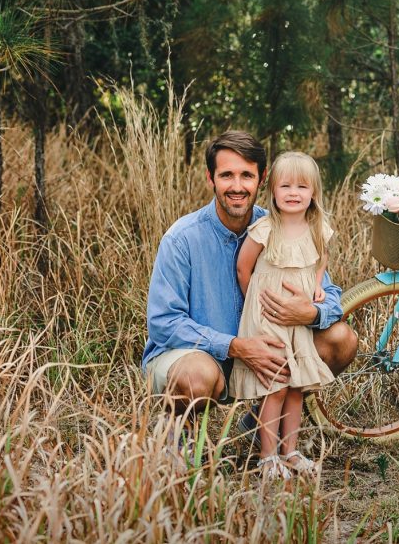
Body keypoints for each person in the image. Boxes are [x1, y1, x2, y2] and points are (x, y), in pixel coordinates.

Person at [142, 131, 357, 454]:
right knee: (197, 376)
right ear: (210, 178)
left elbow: (330, 294)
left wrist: (310, 313)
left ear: (262, 180)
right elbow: (163, 323)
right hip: (202, 356)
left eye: (247, 175)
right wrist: (235, 346)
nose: (237, 186)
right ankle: (179, 434)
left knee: (342, 339)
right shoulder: (182, 239)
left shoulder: (283, 227)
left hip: (270, 354)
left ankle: (262, 423)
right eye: (227, 175)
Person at [228, 152, 336, 480]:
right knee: (275, 385)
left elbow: (321, 259)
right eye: (285, 185)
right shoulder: (264, 228)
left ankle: (290, 451)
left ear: (313, 192)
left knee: (296, 386)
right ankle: (266, 456)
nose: (293, 192)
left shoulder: (318, 227)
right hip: (267, 318)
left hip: (298, 317)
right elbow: (243, 267)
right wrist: (256, 306)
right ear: (272, 190)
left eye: (302, 186)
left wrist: (317, 287)